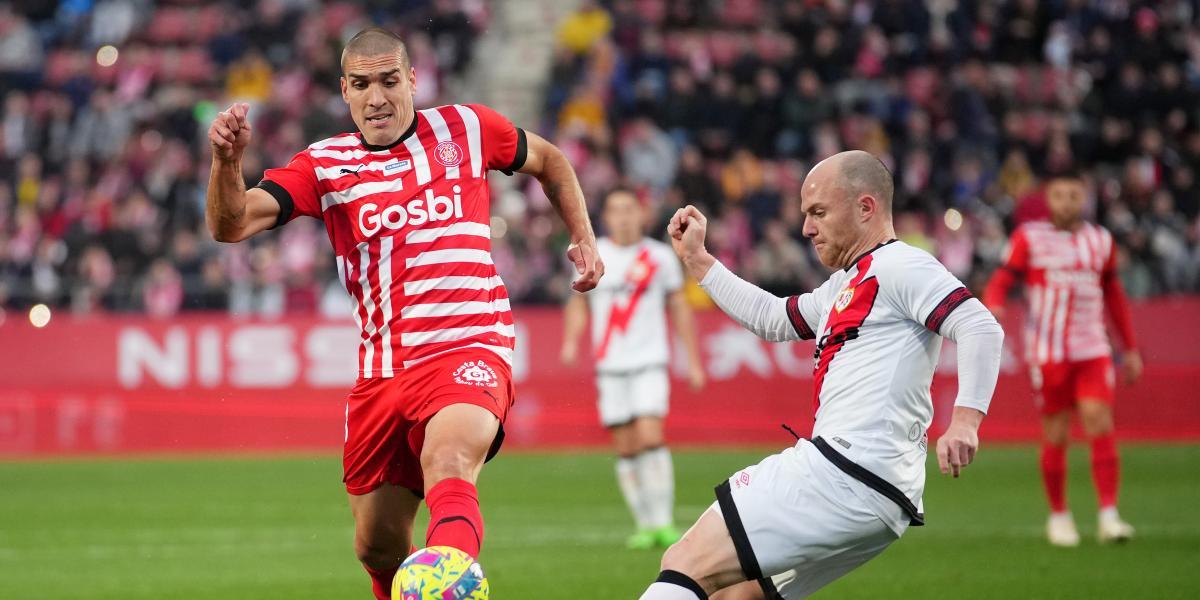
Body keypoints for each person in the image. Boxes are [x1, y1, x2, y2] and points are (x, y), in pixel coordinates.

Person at [204, 27, 604, 600]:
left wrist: (584, 236)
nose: (377, 98)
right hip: (382, 370)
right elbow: (231, 224)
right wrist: (226, 162)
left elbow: (549, 159)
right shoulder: (323, 165)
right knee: (377, 546)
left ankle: (452, 587)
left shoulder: (467, 128)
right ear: (344, 90)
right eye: (362, 84)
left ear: (413, 80)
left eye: (390, 81)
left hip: (468, 344)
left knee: (448, 460)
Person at [638, 150, 1004, 600]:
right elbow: (774, 317)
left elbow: (979, 326)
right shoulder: (846, 284)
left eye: (819, 212)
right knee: (737, 594)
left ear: (865, 207)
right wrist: (698, 260)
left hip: (847, 470)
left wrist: (966, 420)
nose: (808, 228)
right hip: (881, 493)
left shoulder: (901, 265)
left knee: (684, 561)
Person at [983, 171, 1141, 547]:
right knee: (1056, 431)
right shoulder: (1030, 238)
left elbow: (1114, 294)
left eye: (1074, 195)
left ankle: (1109, 515)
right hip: (1049, 351)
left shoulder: (1100, 241)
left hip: (1093, 348)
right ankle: (1059, 515)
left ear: (1084, 198)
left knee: (1098, 421)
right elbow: (1004, 277)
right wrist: (994, 303)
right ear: (1047, 198)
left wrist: (1130, 347)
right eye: (1060, 195)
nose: (1067, 202)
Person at [560, 188, 706, 550]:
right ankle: (644, 525)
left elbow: (678, 308)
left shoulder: (659, 257)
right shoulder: (595, 255)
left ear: (642, 214)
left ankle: (664, 522)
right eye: (615, 210)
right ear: (605, 217)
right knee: (626, 448)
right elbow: (578, 304)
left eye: (629, 209)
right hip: (610, 364)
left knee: (651, 437)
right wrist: (570, 341)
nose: (623, 217)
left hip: (649, 361)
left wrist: (692, 359)